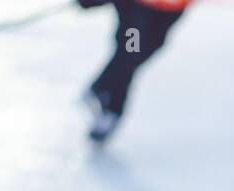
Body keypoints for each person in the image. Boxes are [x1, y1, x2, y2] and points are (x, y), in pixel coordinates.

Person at [77, 0, 190, 142]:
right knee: (130, 51)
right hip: (139, 9)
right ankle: (110, 105)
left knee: (140, 50)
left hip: (167, 10)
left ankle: (102, 87)